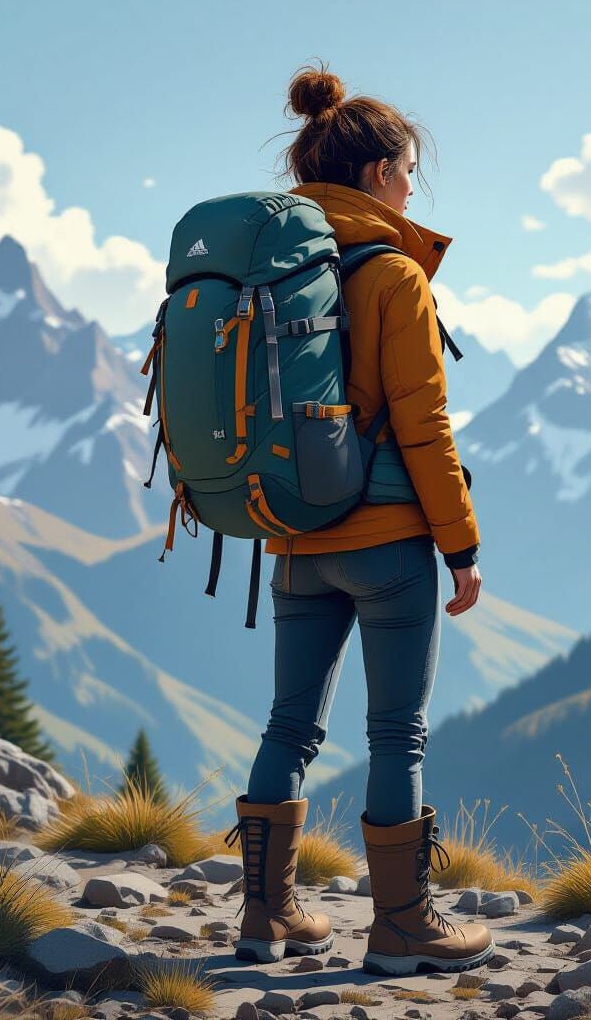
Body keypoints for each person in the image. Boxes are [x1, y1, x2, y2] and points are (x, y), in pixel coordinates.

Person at [225, 61, 493, 977]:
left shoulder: (273, 272)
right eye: (409, 171)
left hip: (296, 539)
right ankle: (404, 926)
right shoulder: (392, 274)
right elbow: (424, 425)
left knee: (288, 727)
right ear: (379, 174)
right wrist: (461, 546)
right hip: (387, 546)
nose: (413, 188)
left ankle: (265, 916)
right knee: (395, 735)